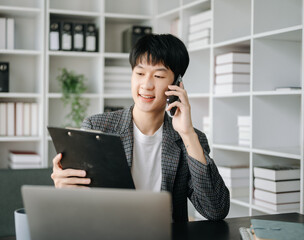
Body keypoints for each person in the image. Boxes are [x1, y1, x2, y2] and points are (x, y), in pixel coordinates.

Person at [51, 33, 230, 222]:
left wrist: (187, 134)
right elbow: (83, 207)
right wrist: (66, 189)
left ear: (177, 84)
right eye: (140, 73)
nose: (146, 84)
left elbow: (216, 210)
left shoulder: (190, 140)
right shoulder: (98, 127)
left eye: (159, 75)